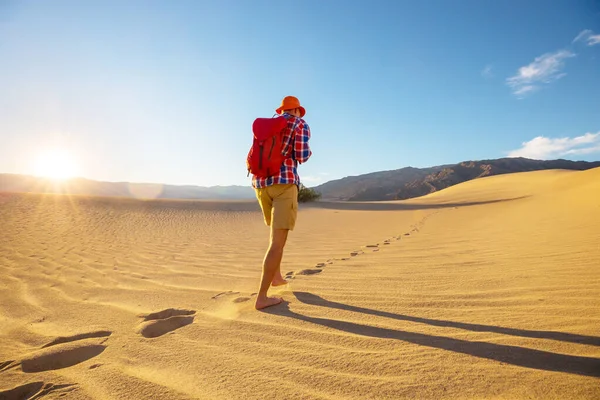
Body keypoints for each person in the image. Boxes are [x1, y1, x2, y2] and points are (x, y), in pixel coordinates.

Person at [251, 96, 312, 310]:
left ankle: (276, 276)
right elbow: (302, 156)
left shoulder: (268, 125)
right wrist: (308, 151)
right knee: (278, 242)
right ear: (296, 110)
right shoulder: (299, 124)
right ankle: (262, 297)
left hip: (260, 184)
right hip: (284, 183)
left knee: (274, 236)